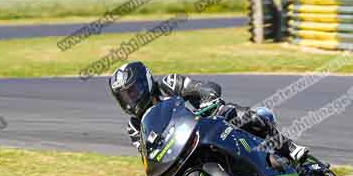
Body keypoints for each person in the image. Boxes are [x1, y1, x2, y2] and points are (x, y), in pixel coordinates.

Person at [108, 61, 308, 164]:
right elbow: (146, 154)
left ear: (145, 82)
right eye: (124, 97)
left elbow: (202, 88)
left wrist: (209, 99)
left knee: (240, 115)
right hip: (181, 150)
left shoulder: (169, 84)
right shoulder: (134, 126)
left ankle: (289, 148)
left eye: (132, 92)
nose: (130, 99)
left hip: (210, 123)